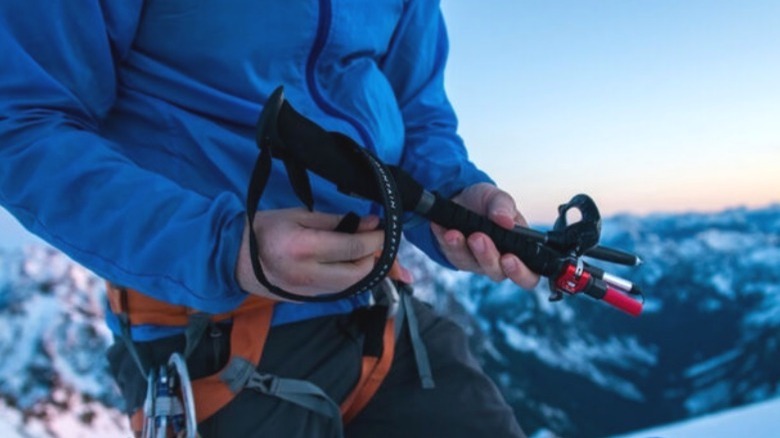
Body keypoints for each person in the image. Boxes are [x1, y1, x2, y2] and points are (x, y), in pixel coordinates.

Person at [1, 1, 539, 436]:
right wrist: (224, 245)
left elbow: (414, 112)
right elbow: (21, 124)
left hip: (383, 308)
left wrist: (455, 197)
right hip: (206, 335)